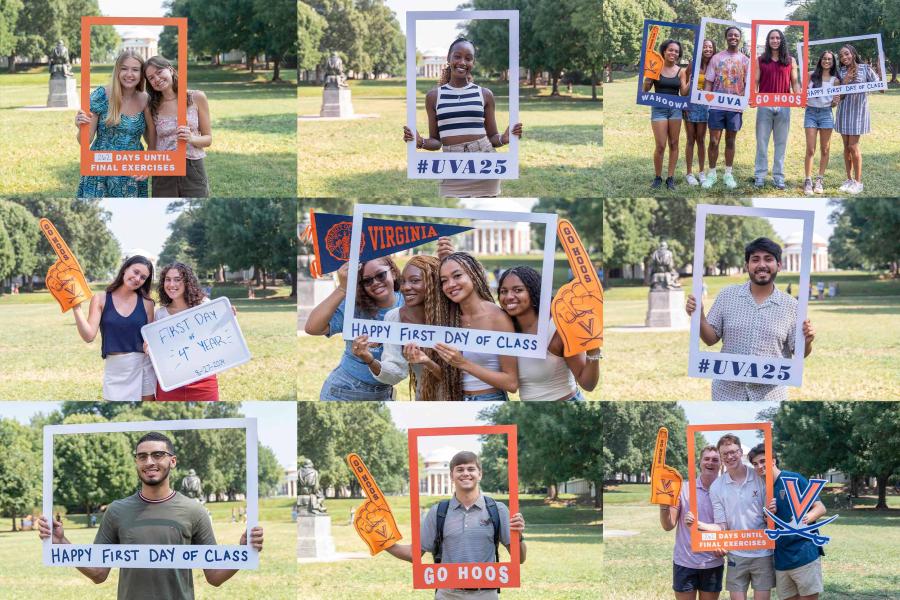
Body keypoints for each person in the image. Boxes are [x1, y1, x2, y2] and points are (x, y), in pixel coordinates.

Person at [37, 432, 264, 600]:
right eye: (142, 456)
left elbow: (214, 576)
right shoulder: (116, 511)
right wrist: (61, 542)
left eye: (158, 455)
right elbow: (98, 573)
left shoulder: (194, 511)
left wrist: (242, 552)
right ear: (136, 462)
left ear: (172, 461)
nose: (150, 462)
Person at [685, 238, 815, 401]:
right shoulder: (727, 296)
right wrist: (699, 316)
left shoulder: (792, 306)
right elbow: (710, 339)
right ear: (747, 266)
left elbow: (800, 352)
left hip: (770, 395)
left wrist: (808, 341)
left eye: (768, 259)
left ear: (779, 265)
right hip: (727, 393)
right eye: (755, 259)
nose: (762, 265)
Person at [385, 451, 526, 600]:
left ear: (480, 474)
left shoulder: (498, 510)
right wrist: (384, 543)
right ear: (451, 475)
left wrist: (519, 535)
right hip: (447, 595)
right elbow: (414, 554)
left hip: (486, 595)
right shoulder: (437, 512)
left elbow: (520, 559)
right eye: (460, 469)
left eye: (471, 469)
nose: (465, 473)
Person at [402, 38, 523, 198]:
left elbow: (492, 137)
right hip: (452, 166)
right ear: (449, 58)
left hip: (484, 164)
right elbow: (436, 141)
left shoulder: (485, 94)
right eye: (457, 56)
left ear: (473, 62)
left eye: (468, 58)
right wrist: (421, 142)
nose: (462, 62)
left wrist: (504, 138)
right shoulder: (434, 96)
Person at [305, 258, 403, 400]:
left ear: (393, 273)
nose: (375, 283)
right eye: (367, 281)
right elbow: (312, 327)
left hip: (383, 394)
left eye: (380, 275)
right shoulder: (354, 306)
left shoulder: (408, 303)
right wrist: (342, 288)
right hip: (344, 391)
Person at [496, 266, 600, 400]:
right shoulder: (505, 330)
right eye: (503, 291)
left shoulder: (558, 328)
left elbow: (588, 384)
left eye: (518, 290)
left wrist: (593, 351)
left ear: (533, 291)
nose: (509, 296)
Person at [352, 254, 446, 400]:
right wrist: (369, 359)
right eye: (403, 282)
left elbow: (460, 376)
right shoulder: (395, 318)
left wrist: (428, 362)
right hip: (426, 399)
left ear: (434, 282)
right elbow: (395, 372)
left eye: (415, 281)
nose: (406, 288)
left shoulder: (456, 314)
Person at [696, 435, 774, 600]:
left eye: (733, 452)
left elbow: (770, 517)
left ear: (740, 452)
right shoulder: (717, 486)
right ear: (721, 456)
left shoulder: (759, 477)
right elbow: (722, 525)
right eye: (725, 454)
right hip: (736, 554)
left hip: (763, 552)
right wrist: (699, 524)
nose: (729, 457)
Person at [434, 252, 518, 400]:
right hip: (457, 400)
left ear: (473, 274)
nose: (450, 285)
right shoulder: (449, 319)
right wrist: (424, 360)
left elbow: (511, 383)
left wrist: (463, 363)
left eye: (457, 276)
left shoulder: (498, 318)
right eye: (444, 280)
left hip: (490, 398)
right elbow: (446, 373)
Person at [71, 255, 156, 401]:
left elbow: (150, 341)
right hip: (115, 369)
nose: (137, 279)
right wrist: (76, 308)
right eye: (135, 272)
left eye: (143, 277)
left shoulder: (147, 304)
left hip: (143, 368)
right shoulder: (100, 299)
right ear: (125, 269)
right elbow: (88, 336)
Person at [749, 444, 826, 600]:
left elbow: (820, 508)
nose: (760, 466)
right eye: (755, 464)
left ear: (773, 460)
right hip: (781, 558)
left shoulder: (793, 479)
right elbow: (769, 523)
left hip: (804, 552)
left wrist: (801, 521)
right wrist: (769, 515)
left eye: (763, 461)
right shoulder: (764, 489)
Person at [76, 50, 155, 198]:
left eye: (135, 70)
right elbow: (85, 141)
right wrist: (81, 126)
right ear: (117, 71)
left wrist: (147, 165)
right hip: (101, 168)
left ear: (141, 74)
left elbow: (152, 141)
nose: (129, 74)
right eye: (124, 69)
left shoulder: (146, 100)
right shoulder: (101, 95)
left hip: (132, 169)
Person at [659, 445, 725, 600]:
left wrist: (725, 544)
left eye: (715, 460)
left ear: (721, 463)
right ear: (700, 462)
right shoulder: (684, 489)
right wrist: (663, 506)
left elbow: (730, 526)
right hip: (685, 561)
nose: (710, 462)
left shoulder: (726, 491)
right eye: (707, 459)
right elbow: (668, 525)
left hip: (712, 562)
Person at [144, 55, 212, 197]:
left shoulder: (197, 97)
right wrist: (146, 166)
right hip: (163, 169)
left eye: (159, 72)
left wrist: (191, 138)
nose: (156, 79)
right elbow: (152, 145)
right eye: (151, 78)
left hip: (193, 168)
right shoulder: (151, 107)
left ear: (170, 70)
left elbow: (208, 139)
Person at [152, 262, 220, 400]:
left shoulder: (204, 305)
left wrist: (227, 317)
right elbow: (159, 350)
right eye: (168, 279)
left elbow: (220, 336)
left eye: (177, 280)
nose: (172, 284)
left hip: (203, 380)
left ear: (187, 282)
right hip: (170, 382)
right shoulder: (160, 314)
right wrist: (150, 348)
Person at [702, 27, 750, 190]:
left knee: (730, 140)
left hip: (735, 107)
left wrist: (746, 99)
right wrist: (706, 99)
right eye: (730, 35)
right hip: (716, 105)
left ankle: (728, 174)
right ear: (726, 38)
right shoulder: (716, 58)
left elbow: (748, 84)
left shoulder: (745, 60)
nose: (733, 37)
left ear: (740, 38)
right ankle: (712, 173)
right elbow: (709, 81)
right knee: (714, 141)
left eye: (736, 35)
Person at [753, 29, 800, 190]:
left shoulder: (790, 60)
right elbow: (755, 82)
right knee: (762, 142)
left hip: (784, 105)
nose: (775, 40)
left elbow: (795, 82)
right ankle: (759, 176)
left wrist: (798, 97)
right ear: (768, 41)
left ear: (782, 40)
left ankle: (778, 177)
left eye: (778, 38)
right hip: (765, 104)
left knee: (781, 143)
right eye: (772, 38)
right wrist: (754, 97)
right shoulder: (760, 60)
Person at [835, 44, 882, 194]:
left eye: (847, 54)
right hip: (844, 111)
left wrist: (880, 72)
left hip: (858, 112)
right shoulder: (840, 71)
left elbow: (880, 87)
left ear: (853, 54)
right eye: (841, 56)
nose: (844, 57)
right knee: (846, 148)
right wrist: (845, 81)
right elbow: (839, 95)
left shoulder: (865, 68)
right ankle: (849, 179)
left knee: (853, 147)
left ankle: (858, 182)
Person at [643, 39, 690, 190]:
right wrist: (648, 78)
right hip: (659, 109)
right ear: (664, 51)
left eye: (676, 51)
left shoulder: (680, 71)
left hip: (675, 109)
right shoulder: (656, 67)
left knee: (674, 143)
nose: (673, 53)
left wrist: (692, 80)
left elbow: (683, 92)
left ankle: (670, 178)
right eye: (670, 50)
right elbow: (645, 90)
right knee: (661, 145)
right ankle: (658, 177)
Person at [802, 51, 840, 195]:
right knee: (811, 149)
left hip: (826, 114)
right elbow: (802, 92)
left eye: (830, 59)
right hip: (811, 112)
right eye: (824, 58)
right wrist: (803, 96)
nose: (827, 61)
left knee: (825, 149)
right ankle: (808, 180)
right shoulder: (811, 75)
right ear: (820, 60)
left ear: (833, 62)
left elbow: (834, 102)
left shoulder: (835, 80)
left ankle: (820, 179)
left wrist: (835, 102)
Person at [685, 40, 716, 186]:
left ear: (714, 49)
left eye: (710, 47)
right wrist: (684, 104)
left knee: (701, 140)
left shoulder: (715, 64)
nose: (707, 49)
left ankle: (702, 173)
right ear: (700, 49)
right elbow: (684, 86)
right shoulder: (692, 64)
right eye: (705, 47)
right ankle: (689, 173)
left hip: (706, 106)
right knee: (691, 139)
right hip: (691, 105)